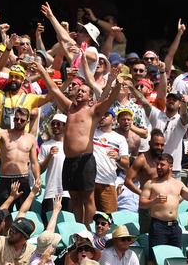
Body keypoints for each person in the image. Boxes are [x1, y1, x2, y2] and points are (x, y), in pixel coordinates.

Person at [46, 41, 123, 224]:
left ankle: (88, 231)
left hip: (86, 160)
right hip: (69, 160)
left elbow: (110, 98)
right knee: (74, 198)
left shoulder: (93, 111)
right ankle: (79, 229)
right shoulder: (69, 108)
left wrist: (116, 83)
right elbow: (55, 90)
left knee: (88, 199)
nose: (79, 93)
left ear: (90, 97)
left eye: (83, 91)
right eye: (78, 90)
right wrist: (42, 72)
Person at [139, 153, 188, 265]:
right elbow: (142, 203)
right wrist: (154, 201)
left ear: (170, 166)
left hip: (174, 227)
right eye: (157, 165)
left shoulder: (178, 184)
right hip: (158, 226)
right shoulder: (151, 183)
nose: (159, 167)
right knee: (153, 260)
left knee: (175, 259)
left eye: (162, 165)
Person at [0, 107, 40, 212]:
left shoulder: (30, 138)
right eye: (16, 119)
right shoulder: (4, 133)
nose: (18, 122)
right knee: (3, 214)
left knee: (23, 213)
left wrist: (38, 179)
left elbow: (34, 162)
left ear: (27, 122)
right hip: (5, 179)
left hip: (22, 179)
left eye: (22, 120)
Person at [92, 110, 129, 213]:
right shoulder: (91, 132)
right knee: (88, 216)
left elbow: (126, 164)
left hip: (108, 183)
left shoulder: (120, 139)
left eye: (106, 115)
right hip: (90, 183)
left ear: (113, 120)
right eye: (101, 115)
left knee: (108, 217)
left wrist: (118, 158)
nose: (102, 117)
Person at [38, 114, 67, 225]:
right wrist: (49, 156)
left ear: (65, 126)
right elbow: (40, 169)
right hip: (51, 192)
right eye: (53, 123)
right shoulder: (45, 146)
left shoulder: (71, 145)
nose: (55, 126)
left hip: (67, 193)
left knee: (64, 225)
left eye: (58, 124)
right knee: (48, 225)